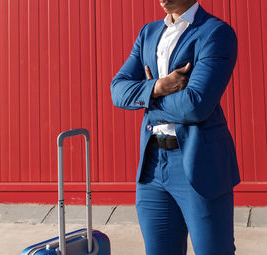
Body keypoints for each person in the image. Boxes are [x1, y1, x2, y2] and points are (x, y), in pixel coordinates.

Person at [110, 0, 240, 254]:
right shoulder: (147, 33)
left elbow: (195, 105)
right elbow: (117, 90)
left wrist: (146, 99)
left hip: (200, 164)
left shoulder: (215, 32)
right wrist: (158, 87)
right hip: (152, 167)